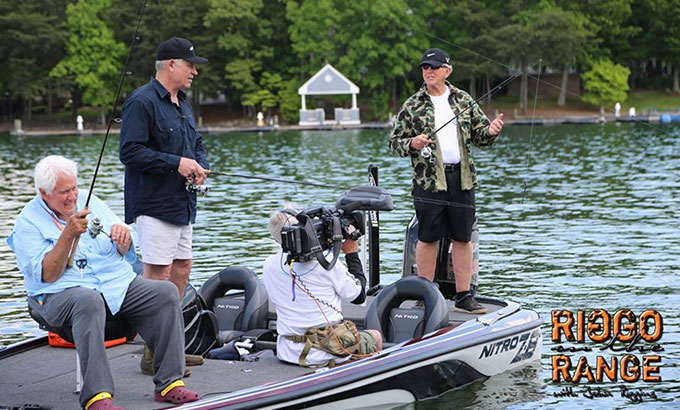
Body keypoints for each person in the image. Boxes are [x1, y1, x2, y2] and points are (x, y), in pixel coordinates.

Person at [7, 156, 200, 409]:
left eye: (74, 188)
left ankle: (170, 383)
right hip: (55, 295)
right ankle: (97, 397)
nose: (72, 197)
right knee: (88, 299)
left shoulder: (90, 200)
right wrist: (68, 234)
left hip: (113, 284)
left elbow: (125, 247)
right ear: (44, 193)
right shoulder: (28, 222)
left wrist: (124, 240)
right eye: (64, 192)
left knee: (164, 292)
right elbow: (48, 275)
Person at [389, 48, 504, 314]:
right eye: (425, 67)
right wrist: (412, 143)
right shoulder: (412, 104)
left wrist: (492, 131)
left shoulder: (463, 99)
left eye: (434, 67)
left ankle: (463, 296)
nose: (428, 71)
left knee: (463, 238)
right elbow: (393, 144)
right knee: (428, 238)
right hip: (429, 182)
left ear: (447, 71)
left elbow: (481, 136)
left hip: (462, 180)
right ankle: (426, 295)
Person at [119, 37, 209, 373]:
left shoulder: (183, 103)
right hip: (154, 204)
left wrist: (197, 165)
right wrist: (177, 163)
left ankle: (169, 345)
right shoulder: (140, 103)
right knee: (158, 274)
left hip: (182, 203)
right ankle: (153, 354)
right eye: (190, 65)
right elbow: (129, 152)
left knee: (183, 267)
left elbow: (195, 143)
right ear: (171, 64)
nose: (195, 72)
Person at [262, 208, 383, 367]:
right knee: (375, 336)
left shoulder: (269, 264)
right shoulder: (327, 263)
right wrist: (351, 253)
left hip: (288, 351)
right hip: (323, 353)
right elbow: (358, 295)